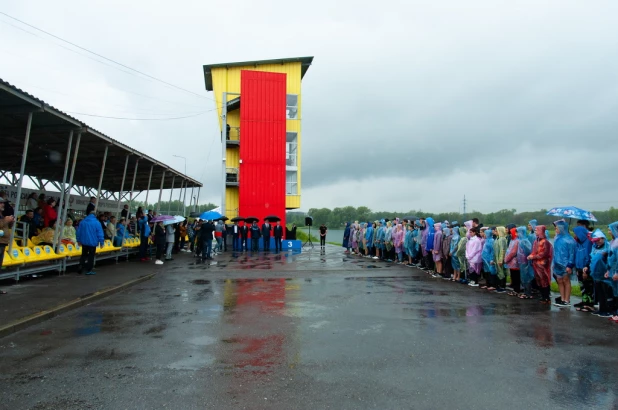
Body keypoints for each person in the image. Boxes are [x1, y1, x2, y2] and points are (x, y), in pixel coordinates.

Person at [552, 219, 576, 307]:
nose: (556, 230)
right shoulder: (557, 238)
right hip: (557, 263)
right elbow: (556, 252)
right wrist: (554, 263)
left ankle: (567, 300)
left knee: (566, 280)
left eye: (557, 228)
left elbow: (572, 253)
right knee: (559, 280)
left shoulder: (570, 240)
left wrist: (570, 265)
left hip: (566, 264)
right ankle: (562, 298)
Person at [528, 225, 553, 304]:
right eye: (535, 230)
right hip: (536, 264)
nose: (535, 232)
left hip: (543, 264)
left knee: (544, 280)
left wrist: (533, 256)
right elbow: (534, 251)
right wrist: (531, 255)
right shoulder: (536, 241)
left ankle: (546, 297)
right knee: (539, 280)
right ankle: (542, 296)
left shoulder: (545, 242)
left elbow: (544, 254)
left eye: (536, 230)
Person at [573, 222, 594, 310]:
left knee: (588, 286)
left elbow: (589, 256)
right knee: (582, 286)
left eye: (576, 234)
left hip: (586, 268)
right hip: (579, 267)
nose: (575, 235)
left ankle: (589, 303)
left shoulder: (588, 242)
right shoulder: (578, 242)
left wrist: (587, 268)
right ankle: (584, 301)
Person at [0, 200, 15, 293]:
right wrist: (5, 220)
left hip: (3, 242)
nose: (3, 204)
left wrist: (11, 222)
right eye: (1, 203)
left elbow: (6, 227)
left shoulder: (2, 214)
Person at [493, 226, 508, 293]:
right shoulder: (497, 239)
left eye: (496, 231)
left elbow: (503, 250)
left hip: (500, 259)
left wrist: (501, 259)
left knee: (502, 272)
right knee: (498, 272)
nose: (495, 232)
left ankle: (502, 286)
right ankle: (499, 286)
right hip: (496, 258)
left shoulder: (502, 239)